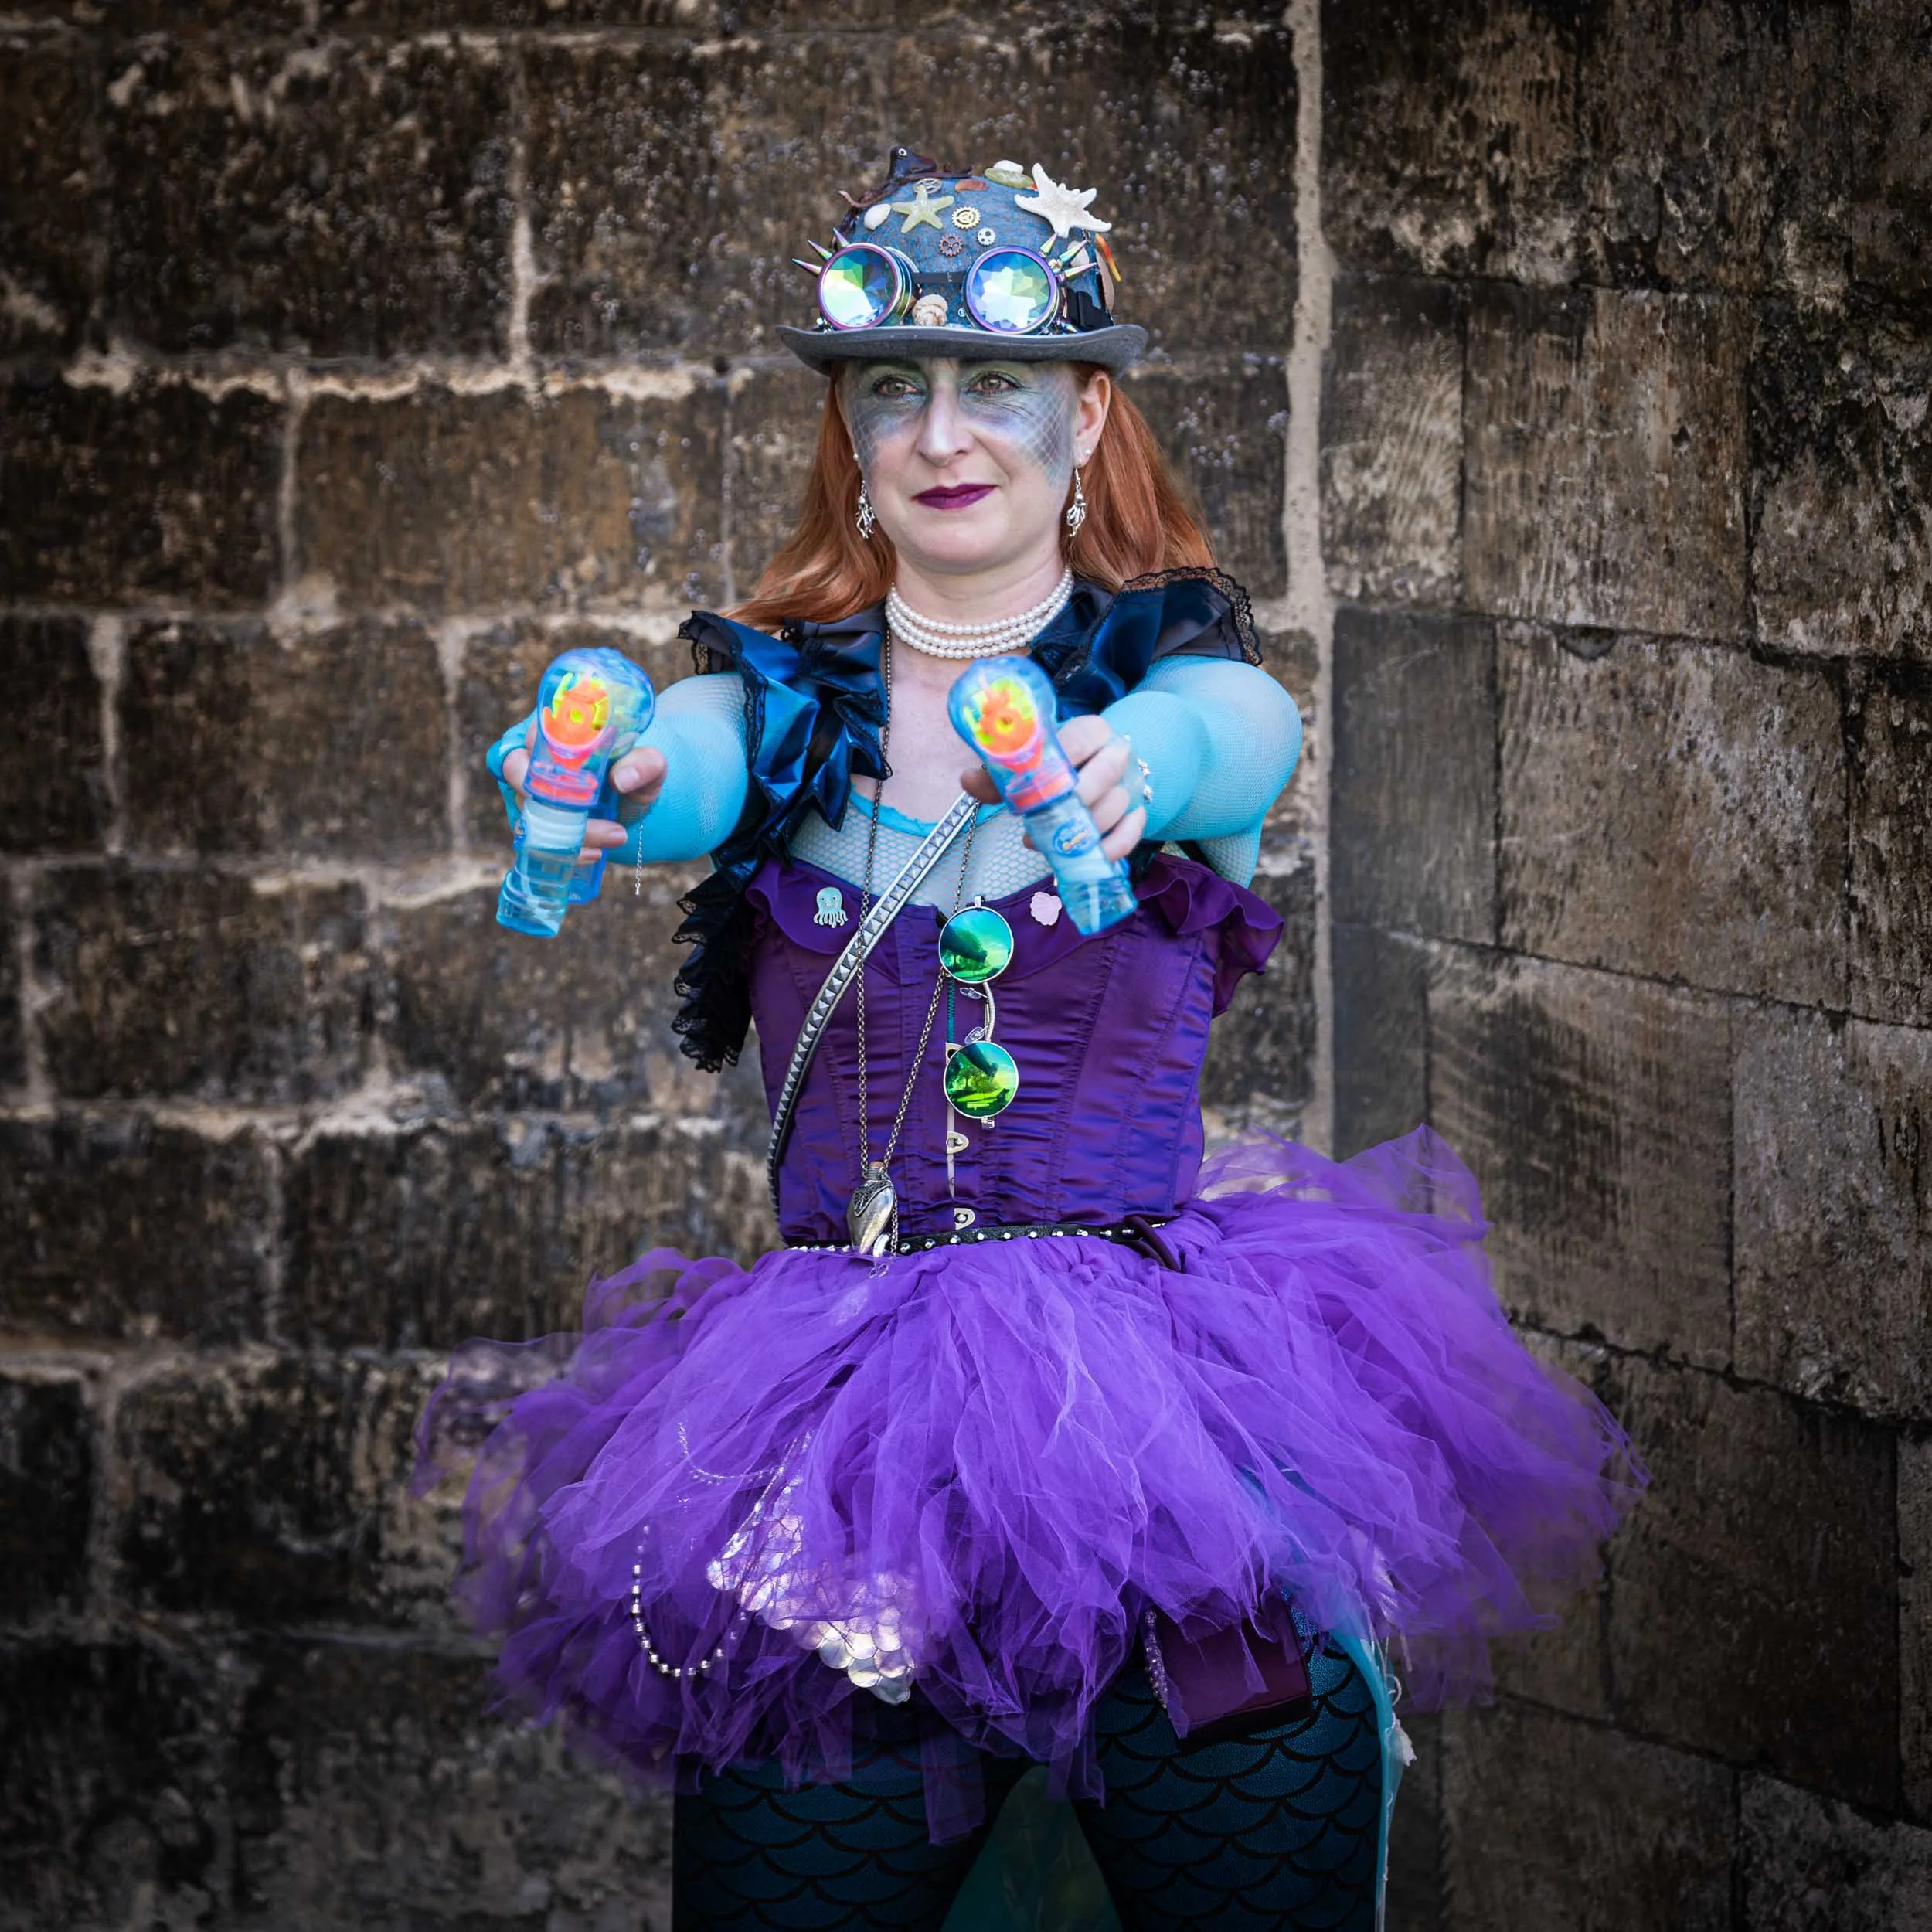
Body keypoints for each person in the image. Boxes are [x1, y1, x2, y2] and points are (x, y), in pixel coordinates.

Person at [422, 149, 1642, 1931]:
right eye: (890, 387)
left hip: (1156, 1437)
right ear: (849, 429)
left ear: (1084, 417)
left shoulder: (1180, 677)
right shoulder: (773, 701)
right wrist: (601, 780)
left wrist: (1124, 763)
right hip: (832, 1447)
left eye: (989, 382)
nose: (938, 429)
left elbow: (1230, 737)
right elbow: (673, 765)